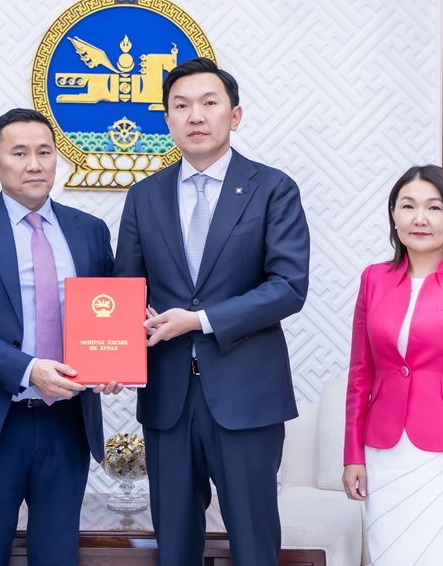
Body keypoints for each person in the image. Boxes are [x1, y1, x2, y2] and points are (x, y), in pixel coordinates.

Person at [114, 57, 310, 566]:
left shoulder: (272, 189)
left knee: (253, 541)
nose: (195, 115)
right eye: (181, 106)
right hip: (168, 398)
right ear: (167, 120)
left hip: (247, 395)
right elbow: (127, 291)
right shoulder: (144, 196)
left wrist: (199, 320)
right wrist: (111, 357)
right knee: (174, 544)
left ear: (234, 115)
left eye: (208, 103)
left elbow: (288, 287)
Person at [0, 108, 122, 566]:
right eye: (19, 153)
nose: (34, 164)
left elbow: (109, 314)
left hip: (67, 421)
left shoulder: (90, 231)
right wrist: (28, 369)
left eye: (44, 152)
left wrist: (115, 363)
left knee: (57, 555)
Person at [342, 164, 443, 566]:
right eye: (408, 206)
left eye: (434, 208)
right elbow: (360, 374)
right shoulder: (373, 279)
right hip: (384, 453)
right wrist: (352, 455)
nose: (420, 218)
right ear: (393, 216)